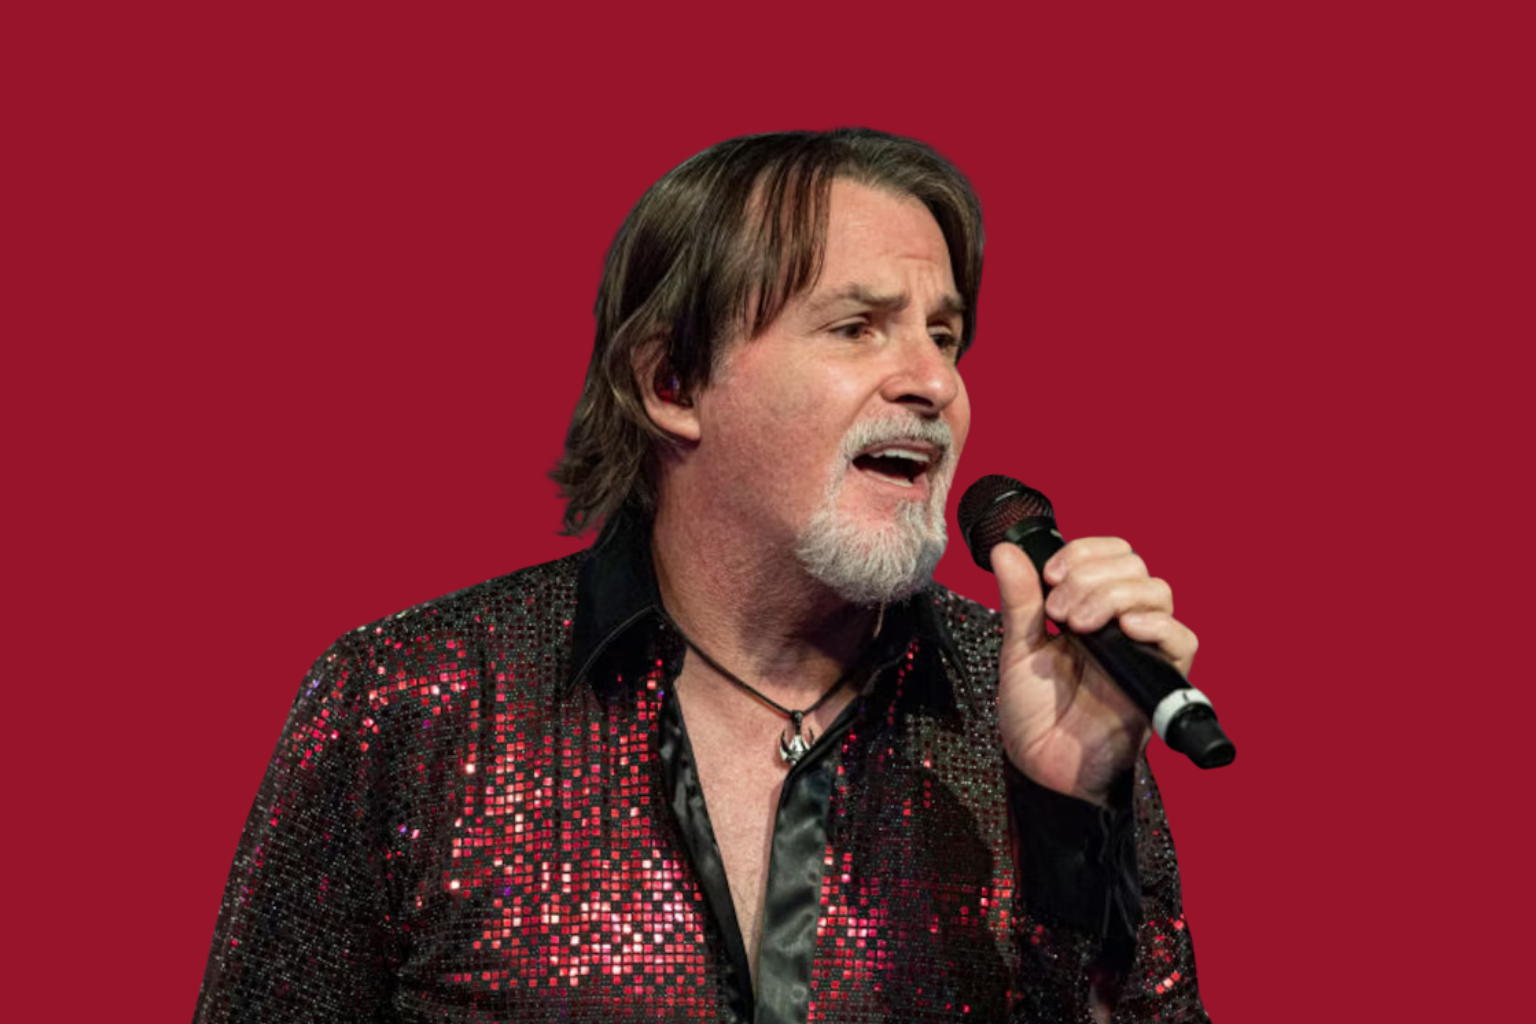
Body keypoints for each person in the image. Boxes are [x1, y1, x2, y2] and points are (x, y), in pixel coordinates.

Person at [195, 128, 1209, 1023]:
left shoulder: (1045, 704)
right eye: (857, 327)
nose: (935, 381)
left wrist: (1070, 823)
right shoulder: (417, 699)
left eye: (944, 335)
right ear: (671, 382)